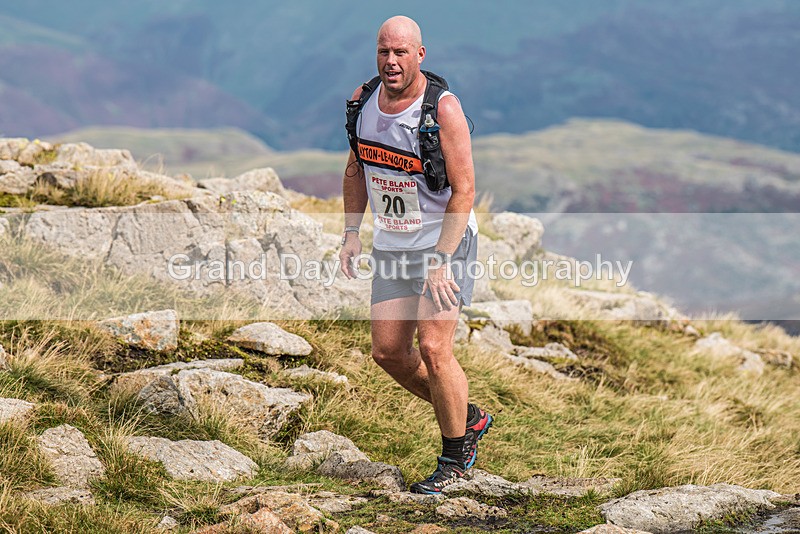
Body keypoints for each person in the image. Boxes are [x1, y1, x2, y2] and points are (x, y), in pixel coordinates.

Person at [338, 15, 493, 494]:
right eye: (384, 51)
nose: (391, 61)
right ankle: (466, 417)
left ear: (420, 55)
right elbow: (354, 172)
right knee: (387, 352)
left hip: (443, 242)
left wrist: (441, 258)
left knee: (433, 347)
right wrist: (350, 232)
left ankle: (454, 460)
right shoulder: (362, 103)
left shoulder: (442, 109)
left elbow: (464, 191)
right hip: (393, 243)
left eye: (401, 52)